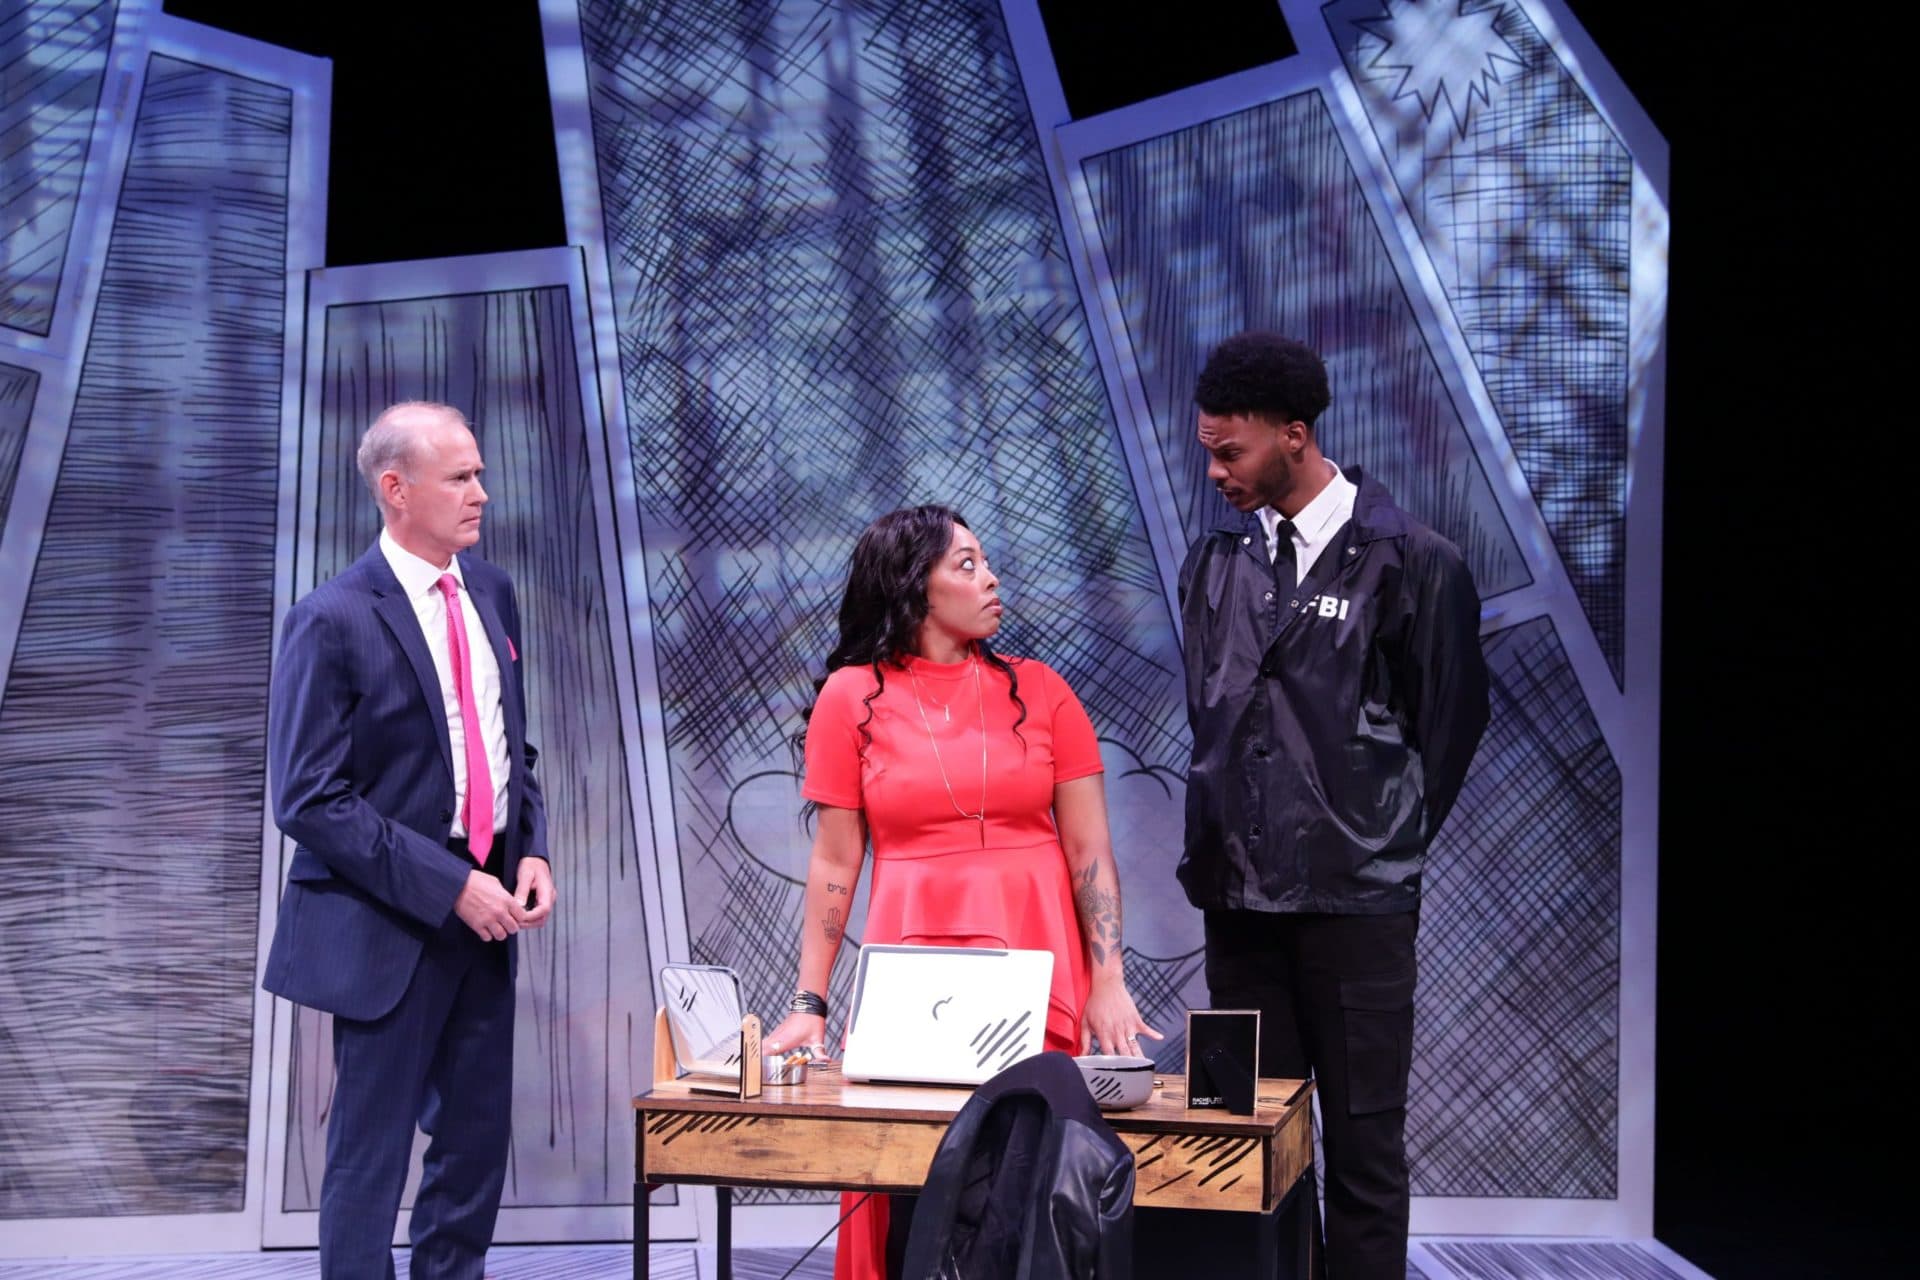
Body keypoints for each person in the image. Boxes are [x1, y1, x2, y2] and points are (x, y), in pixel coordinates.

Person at [764, 504, 1161, 1280]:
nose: (992, 578)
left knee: (1025, 1175)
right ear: (916, 586)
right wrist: (809, 1002)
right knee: (921, 1181)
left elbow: (1090, 853)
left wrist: (1107, 978)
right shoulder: (852, 697)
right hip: (915, 972)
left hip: (1038, 963)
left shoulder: (1042, 691)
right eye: (968, 564)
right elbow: (835, 865)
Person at [1178, 334, 1489, 1279]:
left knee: (1362, 1148)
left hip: (1358, 911)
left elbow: (1450, 726)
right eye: (1206, 449)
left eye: (1230, 450)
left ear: (1297, 437)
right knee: (1242, 1148)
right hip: (1239, 909)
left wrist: (1372, 836)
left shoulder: (1412, 560)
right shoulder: (1215, 564)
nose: (1214, 469)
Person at [264, 401, 556, 1279]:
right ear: (396, 490)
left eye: (479, 473)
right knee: (371, 1152)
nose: (483, 493)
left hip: (488, 912)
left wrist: (529, 848)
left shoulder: (494, 592)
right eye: (460, 477)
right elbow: (308, 797)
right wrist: (447, 883)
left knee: (473, 1142)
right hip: (387, 918)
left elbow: (510, 748)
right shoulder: (332, 618)